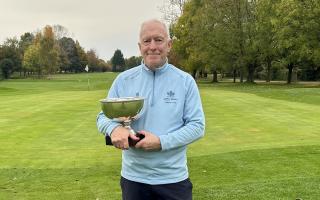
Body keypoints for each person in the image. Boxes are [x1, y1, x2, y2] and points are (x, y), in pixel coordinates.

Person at [96, 19, 205, 200]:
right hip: (134, 180)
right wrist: (114, 128)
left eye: (158, 40)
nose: (152, 46)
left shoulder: (185, 81)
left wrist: (161, 142)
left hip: (174, 180)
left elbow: (197, 126)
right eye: (147, 41)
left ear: (169, 45)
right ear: (140, 47)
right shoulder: (123, 80)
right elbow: (102, 117)